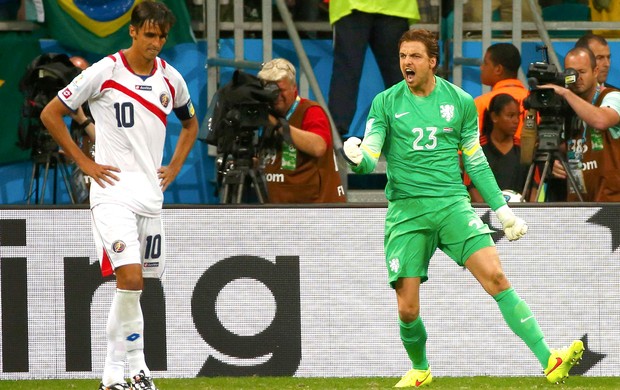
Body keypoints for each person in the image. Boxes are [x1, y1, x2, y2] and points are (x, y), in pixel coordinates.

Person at [342, 28, 584, 387]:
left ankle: (549, 359)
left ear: (432, 62)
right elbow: (371, 154)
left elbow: (475, 161)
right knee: (408, 309)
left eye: (415, 56)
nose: (407, 63)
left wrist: (503, 212)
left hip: (453, 205)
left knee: (497, 277)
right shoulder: (385, 102)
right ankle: (421, 369)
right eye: (403, 56)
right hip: (406, 212)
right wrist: (358, 158)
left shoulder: (459, 102)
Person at [40, 2, 198, 389]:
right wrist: (85, 163)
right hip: (111, 194)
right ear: (132, 31)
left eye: (161, 36)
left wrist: (174, 167)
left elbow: (191, 124)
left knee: (135, 286)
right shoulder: (105, 71)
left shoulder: (171, 79)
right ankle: (132, 370)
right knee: (131, 279)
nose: (156, 43)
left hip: (150, 196)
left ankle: (114, 376)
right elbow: (50, 114)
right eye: (149, 35)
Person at [257, 58, 346, 203]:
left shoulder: (310, 111)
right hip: (283, 210)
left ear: (294, 88)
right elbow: (281, 161)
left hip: (317, 210)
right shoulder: (268, 114)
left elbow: (318, 147)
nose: (276, 96)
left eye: (281, 90)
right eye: (270, 90)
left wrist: (280, 126)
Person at [327, 0, 420, 137]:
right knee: (399, 74)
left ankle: (334, 137)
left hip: (352, 5)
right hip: (395, 6)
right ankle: (412, 133)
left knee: (346, 73)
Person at [541, 46, 620, 202]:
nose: (577, 78)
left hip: (612, 204)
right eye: (572, 73)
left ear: (595, 71)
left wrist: (565, 92)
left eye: (582, 72)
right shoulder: (566, 107)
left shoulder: (612, 97)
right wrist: (554, 163)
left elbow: (601, 121)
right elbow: (566, 146)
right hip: (578, 204)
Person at [466, 93, 531, 202]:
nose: (516, 121)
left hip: (521, 214)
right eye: (510, 116)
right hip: (487, 215)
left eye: (518, 116)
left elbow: (533, 188)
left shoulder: (524, 149)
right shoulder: (476, 149)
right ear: (494, 117)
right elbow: (472, 187)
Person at [475, 43, 528, 142]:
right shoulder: (536, 101)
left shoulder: (481, 104)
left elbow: (467, 148)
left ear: (498, 69)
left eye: (485, 63)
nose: (481, 67)